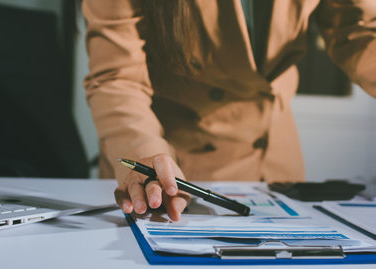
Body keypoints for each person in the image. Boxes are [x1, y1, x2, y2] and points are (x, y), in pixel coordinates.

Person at [82, 0, 376, 221]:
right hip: (174, 166)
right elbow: (117, 79)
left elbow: (358, 28)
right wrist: (146, 156)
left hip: (275, 158)